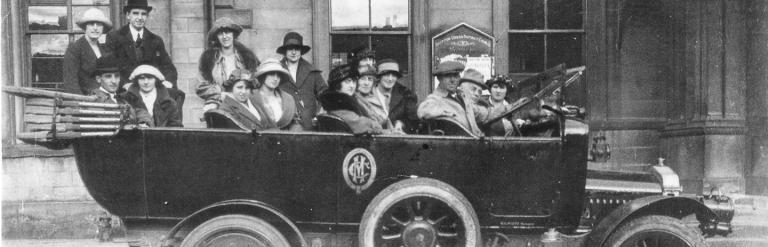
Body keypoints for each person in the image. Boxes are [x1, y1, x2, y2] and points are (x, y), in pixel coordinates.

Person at [107, 0, 184, 117]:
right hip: (126, 87)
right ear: (128, 15)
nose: (140, 17)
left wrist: (168, 82)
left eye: (143, 14)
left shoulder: (155, 40)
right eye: (135, 13)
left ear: (147, 16)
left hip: (150, 87)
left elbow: (168, 67)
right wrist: (123, 83)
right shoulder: (115, 37)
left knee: (176, 96)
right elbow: (111, 66)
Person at [418, 63, 524, 136]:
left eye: (455, 76)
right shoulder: (435, 99)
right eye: (448, 76)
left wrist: (511, 107)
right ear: (439, 78)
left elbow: (487, 113)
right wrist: (451, 114)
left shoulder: (461, 99)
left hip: (472, 145)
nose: (453, 80)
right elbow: (423, 111)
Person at [196, 17, 260, 111]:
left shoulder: (247, 57)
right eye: (221, 33)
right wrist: (220, 94)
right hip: (218, 102)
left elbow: (256, 80)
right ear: (217, 37)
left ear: (233, 34)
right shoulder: (208, 58)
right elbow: (200, 85)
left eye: (228, 32)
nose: (225, 36)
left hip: (244, 103)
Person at [277, 32, 328, 130]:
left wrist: (320, 112)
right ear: (285, 51)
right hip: (284, 123)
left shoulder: (312, 71)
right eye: (290, 49)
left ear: (301, 51)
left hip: (308, 124)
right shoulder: (277, 70)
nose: (293, 52)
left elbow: (324, 94)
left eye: (297, 49)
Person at [319, 64, 390, 135]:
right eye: (348, 81)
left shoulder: (352, 99)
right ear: (337, 84)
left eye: (354, 81)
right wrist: (378, 127)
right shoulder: (337, 103)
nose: (352, 86)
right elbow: (358, 124)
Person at [63, 8, 113, 94]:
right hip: (86, 100)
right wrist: (83, 102)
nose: (95, 28)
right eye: (91, 24)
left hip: (105, 98)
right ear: (85, 27)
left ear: (103, 28)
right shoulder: (74, 49)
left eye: (99, 24)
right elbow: (71, 84)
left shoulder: (103, 49)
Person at [251, 59, 302, 131]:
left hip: (286, 139)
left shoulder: (288, 98)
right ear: (263, 76)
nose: (275, 79)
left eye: (278, 75)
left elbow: (295, 123)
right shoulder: (252, 96)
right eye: (271, 74)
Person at [376, 59, 418, 133]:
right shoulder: (369, 92)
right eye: (386, 75)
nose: (390, 79)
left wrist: (401, 124)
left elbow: (413, 120)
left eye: (394, 75)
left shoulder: (406, 94)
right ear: (379, 76)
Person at [355, 65, 393, 129]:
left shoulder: (375, 99)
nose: (366, 83)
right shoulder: (354, 100)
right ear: (356, 81)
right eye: (362, 79)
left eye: (370, 79)